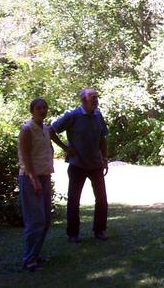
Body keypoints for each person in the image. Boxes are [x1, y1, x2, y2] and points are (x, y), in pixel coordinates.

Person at [50, 88, 109, 243]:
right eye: (93, 98)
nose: (96, 100)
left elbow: (102, 138)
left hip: (95, 164)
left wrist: (105, 158)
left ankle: (99, 230)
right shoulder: (73, 115)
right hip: (78, 165)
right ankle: (73, 234)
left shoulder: (98, 115)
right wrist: (65, 147)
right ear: (84, 100)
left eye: (97, 97)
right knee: (74, 200)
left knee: (102, 199)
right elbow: (51, 130)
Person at [18, 98, 71, 271]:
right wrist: (33, 179)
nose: (43, 110)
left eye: (45, 107)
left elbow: (53, 136)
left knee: (46, 219)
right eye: (39, 108)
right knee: (36, 220)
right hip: (30, 178)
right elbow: (25, 157)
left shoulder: (45, 128)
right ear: (32, 110)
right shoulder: (27, 130)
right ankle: (29, 260)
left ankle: (35, 254)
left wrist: (66, 147)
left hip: (45, 176)